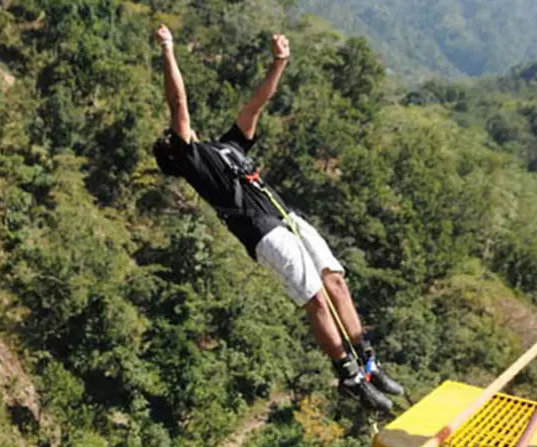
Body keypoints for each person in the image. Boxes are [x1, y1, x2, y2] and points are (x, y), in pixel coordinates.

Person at [150, 25, 403, 413]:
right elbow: (178, 102)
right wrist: (169, 50)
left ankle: (369, 363)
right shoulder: (193, 162)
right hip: (262, 231)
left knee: (335, 282)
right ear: (174, 153)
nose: (177, 131)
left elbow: (256, 105)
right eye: (172, 136)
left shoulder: (227, 148)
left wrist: (280, 62)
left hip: (287, 218)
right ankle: (348, 376)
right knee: (315, 298)